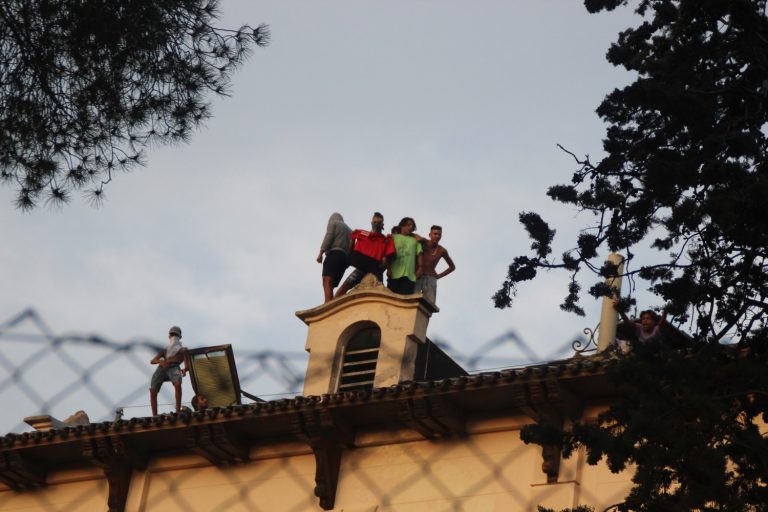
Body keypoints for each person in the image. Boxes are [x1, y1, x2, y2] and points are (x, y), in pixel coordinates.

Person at [334, 212, 396, 297]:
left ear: (382, 225)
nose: (376, 224)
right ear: (371, 223)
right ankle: (332, 305)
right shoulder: (362, 234)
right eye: (374, 222)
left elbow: (387, 258)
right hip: (361, 267)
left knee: (380, 292)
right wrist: (349, 257)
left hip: (376, 270)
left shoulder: (386, 240)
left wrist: (386, 268)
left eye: (378, 223)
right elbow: (352, 242)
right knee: (344, 287)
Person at [149, 325, 187, 416]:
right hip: (162, 368)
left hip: (175, 368)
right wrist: (160, 361)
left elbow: (187, 365)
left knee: (178, 384)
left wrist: (185, 369)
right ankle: (154, 415)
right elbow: (152, 361)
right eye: (172, 335)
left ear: (180, 337)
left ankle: (178, 411)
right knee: (153, 390)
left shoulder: (183, 350)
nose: (174, 337)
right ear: (169, 337)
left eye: (176, 335)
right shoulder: (165, 350)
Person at [414, 225, 456, 304]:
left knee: (429, 304)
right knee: (412, 299)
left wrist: (438, 276)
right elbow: (413, 235)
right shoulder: (423, 242)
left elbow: (452, 267)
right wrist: (420, 238)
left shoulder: (442, 250)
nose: (437, 236)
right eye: (435, 234)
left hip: (431, 278)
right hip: (418, 276)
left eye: (439, 234)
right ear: (430, 235)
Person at [317, 212, 351, 303]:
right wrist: (348, 261)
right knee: (331, 284)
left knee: (326, 280)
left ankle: (327, 304)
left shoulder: (334, 223)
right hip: (344, 258)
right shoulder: (350, 230)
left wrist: (321, 252)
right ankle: (330, 302)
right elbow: (352, 246)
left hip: (334, 254)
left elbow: (329, 236)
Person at [387, 217, 423, 295]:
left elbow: (419, 254)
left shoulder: (415, 240)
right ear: (402, 225)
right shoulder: (394, 238)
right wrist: (388, 268)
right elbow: (389, 254)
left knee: (405, 301)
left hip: (409, 275)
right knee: (390, 298)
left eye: (412, 226)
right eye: (408, 225)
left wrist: (420, 268)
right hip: (394, 273)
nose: (410, 227)